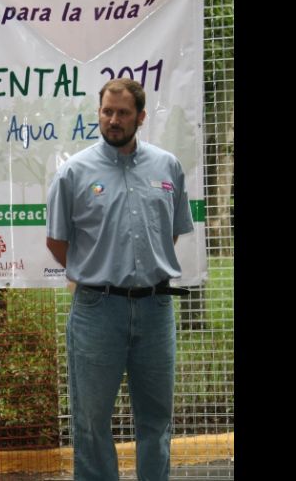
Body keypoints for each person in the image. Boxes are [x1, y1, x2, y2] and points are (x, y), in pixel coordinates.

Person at [46, 78, 193, 481]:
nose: (113, 120)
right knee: (91, 422)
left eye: (123, 113)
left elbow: (170, 233)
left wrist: (143, 270)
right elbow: (58, 243)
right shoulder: (73, 173)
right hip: (97, 311)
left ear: (140, 117)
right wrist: (98, 273)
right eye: (107, 112)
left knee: (157, 421)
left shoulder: (168, 167)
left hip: (156, 308)